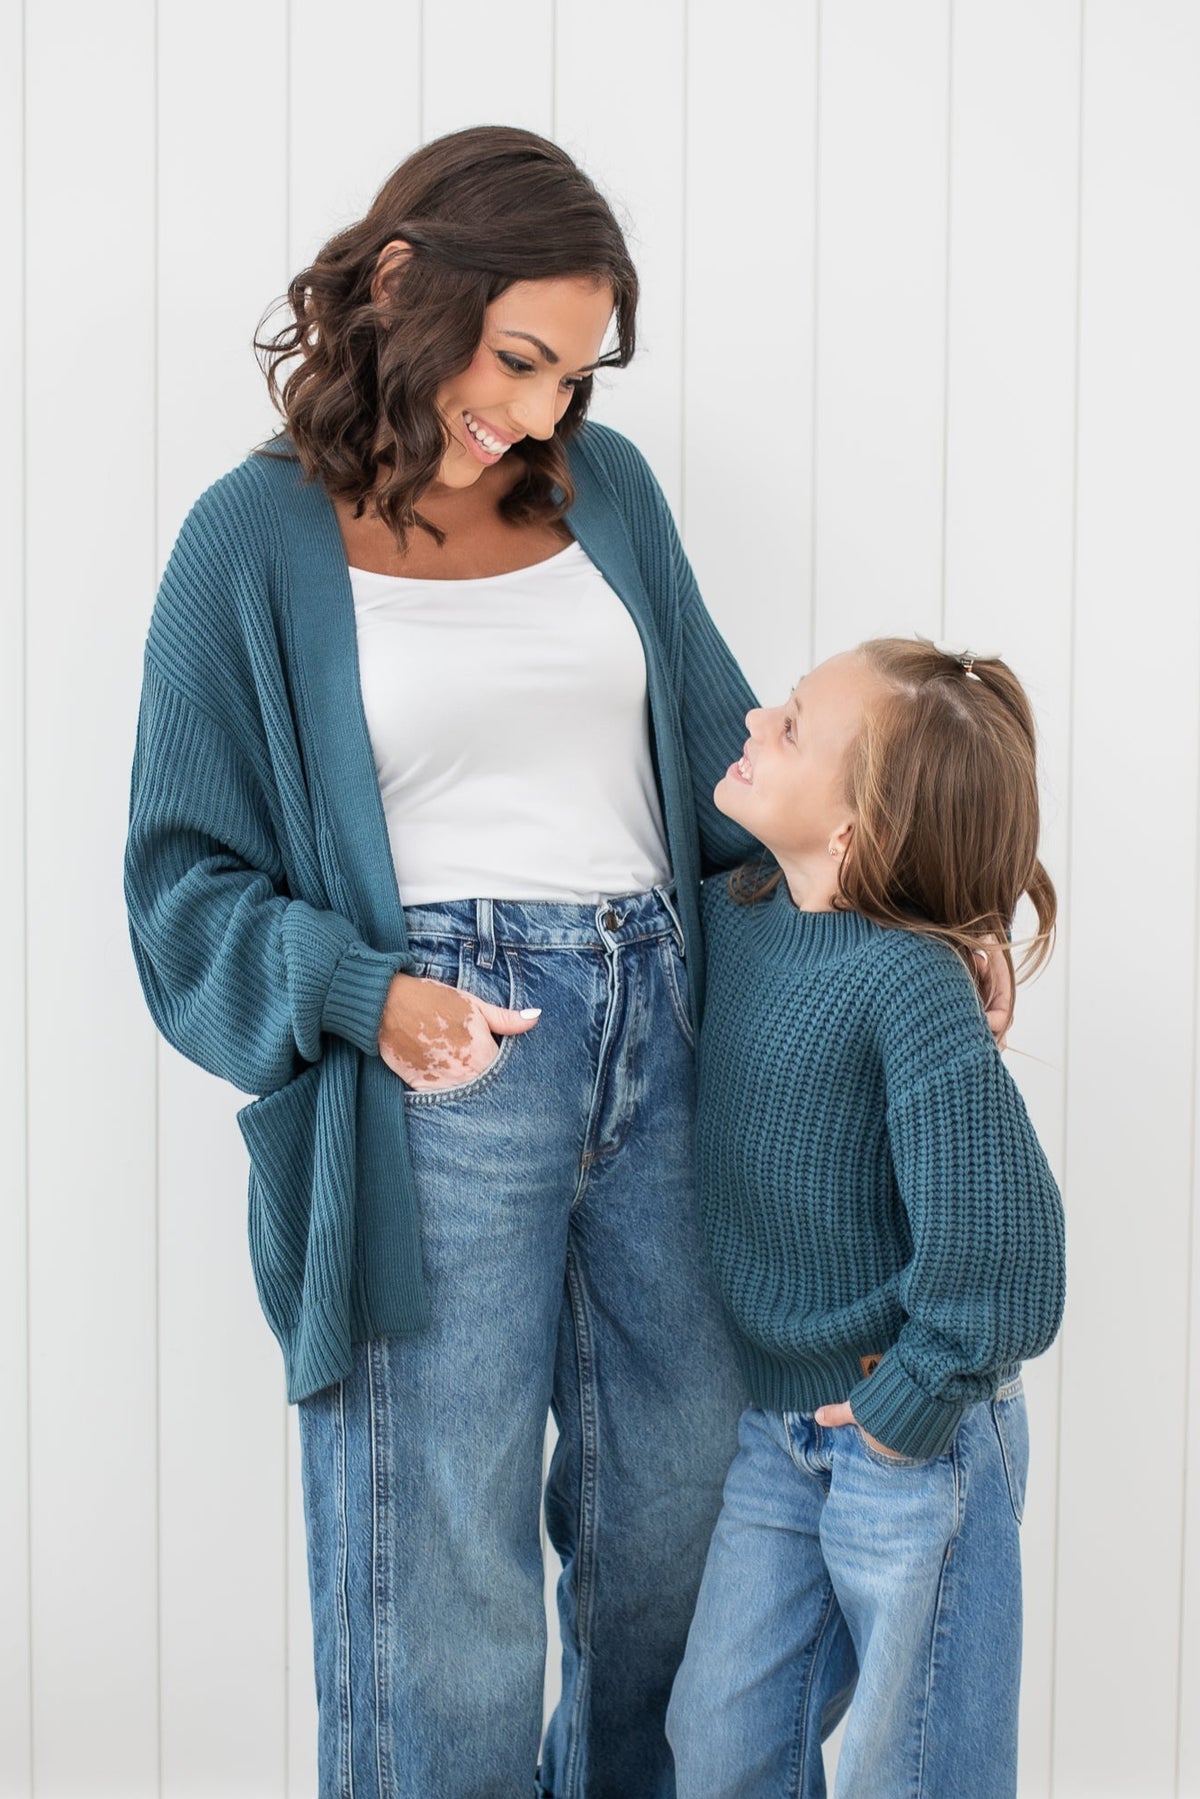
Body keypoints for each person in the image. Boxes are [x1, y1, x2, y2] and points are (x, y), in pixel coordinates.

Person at [124, 124, 765, 1798]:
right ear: (404, 285)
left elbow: (732, 788)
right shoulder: (249, 540)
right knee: (440, 1571)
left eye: (576, 372)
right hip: (439, 1063)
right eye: (522, 358)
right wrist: (364, 992)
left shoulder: (605, 497)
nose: (543, 411)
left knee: (681, 1531)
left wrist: (921, 928)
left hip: (667, 1030)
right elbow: (181, 884)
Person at [666, 640, 1067, 1799]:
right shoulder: (736, 914)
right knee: (721, 1740)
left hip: (918, 1429)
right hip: (781, 1434)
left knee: (916, 1766)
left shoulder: (911, 981)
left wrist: (915, 1396)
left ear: (851, 835)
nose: (752, 716)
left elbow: (1013, 1252)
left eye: (791, 725)